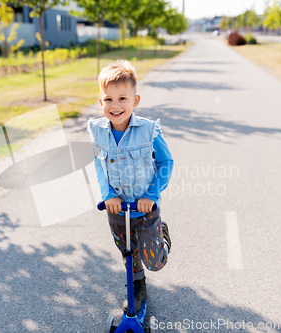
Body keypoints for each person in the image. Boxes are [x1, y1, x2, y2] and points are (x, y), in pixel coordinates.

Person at [87, 59, 174, 313]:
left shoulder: (149, 131)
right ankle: (137, 286)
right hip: (117, 210)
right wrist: (108, 195)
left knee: (154, 262)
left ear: (135, 101)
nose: (115, 106)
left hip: (145, 210)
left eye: (122, 98)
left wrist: (152, 195)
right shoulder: (98, 131)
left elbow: (166, 161)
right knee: (128, 253)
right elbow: (97, 163)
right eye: (108, 99)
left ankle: (162, 237)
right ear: (100, 101)